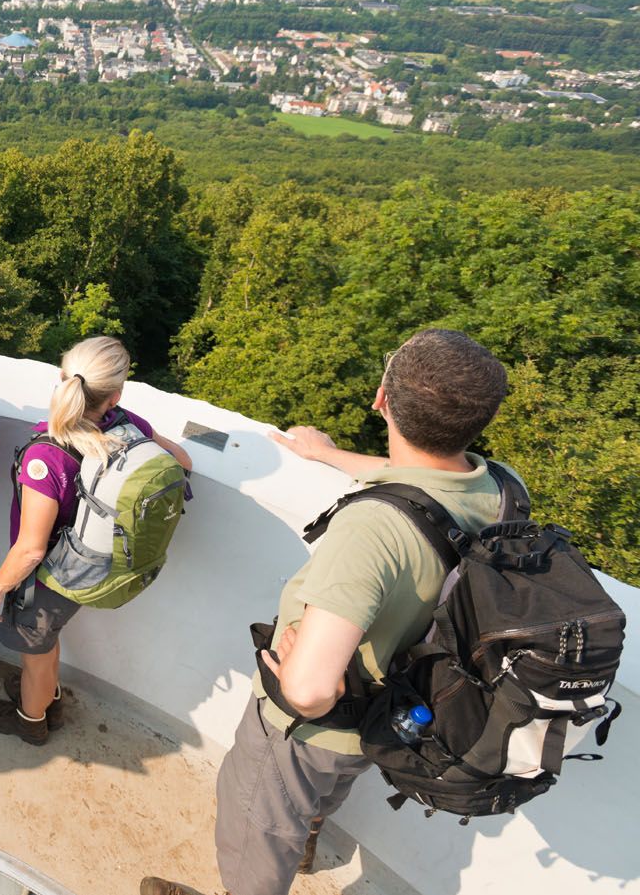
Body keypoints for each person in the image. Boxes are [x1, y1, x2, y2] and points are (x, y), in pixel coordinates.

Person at [142, 329, 515, 895]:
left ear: (381, 400)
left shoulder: (371, 531)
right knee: (320, 793)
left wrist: (297, 670)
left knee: (256, 827)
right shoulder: (501, 490)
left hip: (312, 729)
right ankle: (309, 839)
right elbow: (423, 485)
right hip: (394, 708)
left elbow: (312, 692)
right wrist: (326, 455)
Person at [0, 336, 192, 745]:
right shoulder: (129, 425)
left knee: (35, 652)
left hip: (47, 579)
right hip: (88, 565)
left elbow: (30, 548)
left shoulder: (47, 456)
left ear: (62, 379)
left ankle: (32, 720)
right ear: (115, 395)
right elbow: (183, 462)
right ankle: (47, 694)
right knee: (46, 641)